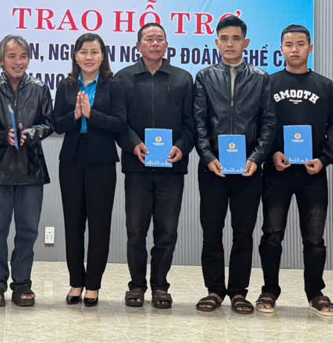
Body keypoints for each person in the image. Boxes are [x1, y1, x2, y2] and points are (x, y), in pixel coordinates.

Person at [256, 25, 333, 316]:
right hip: (276, 172)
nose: (295, 49)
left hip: (313, 173)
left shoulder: (326, 87)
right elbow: (259, 125)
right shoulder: (268, 84)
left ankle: (315, 292)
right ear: (280, 49)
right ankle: (269, 291)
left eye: (301, 44)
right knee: (271, 234)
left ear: (310, 48)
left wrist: (325, 159)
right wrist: (272, 154)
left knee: (315, 239)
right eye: (289, 44)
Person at [193, 16, 276, 314]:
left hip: (248, 171)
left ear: (246, 42)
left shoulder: (261, 78)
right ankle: (214, 290)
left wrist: (256, 158)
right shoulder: (203, 77)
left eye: (235, 38)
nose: (230, 43)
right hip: (213, 169)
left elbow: (268, 124)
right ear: (216, 42)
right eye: (224, 38)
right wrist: (207, 157)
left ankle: (239, 292)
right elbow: (199, 123)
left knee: (243, 233)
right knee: (211, 231)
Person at [116, 22, 195, 309]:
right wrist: (133, 143)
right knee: (136, 230)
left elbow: (191, 124)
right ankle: (136, 285)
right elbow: (118, 122)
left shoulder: (183, 79)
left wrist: (181, 147)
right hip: (136, 167)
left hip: (171, 168)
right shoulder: (123, 79)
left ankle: (160, 286)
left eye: (160, 39)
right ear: (138, 46)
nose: (155, 43)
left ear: (166, 45)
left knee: (167, 230)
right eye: (149, 39)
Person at [0, 34, 53, 308]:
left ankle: (22, 283)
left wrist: (31, 133)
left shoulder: (41, 88)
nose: (18, 61)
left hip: (31, 170)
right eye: (12, 56)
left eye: (22, 56)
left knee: (28, 230)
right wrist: (1, 136)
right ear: (0, 60)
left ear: (29, 60)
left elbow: (48, 123)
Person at [52, 33, 126, 307]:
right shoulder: (66, 85)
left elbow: (119, 123)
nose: (89, 57)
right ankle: (76, 283)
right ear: (75, 56)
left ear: (103, 56)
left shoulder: (114, 85)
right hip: (71, 159)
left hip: (102, 160)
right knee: (73, 222)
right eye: (84, 52)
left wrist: (91, 114)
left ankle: (93, 285)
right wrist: (74, 115)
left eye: (94, 52)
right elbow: (56, 124)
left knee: (99, 224)